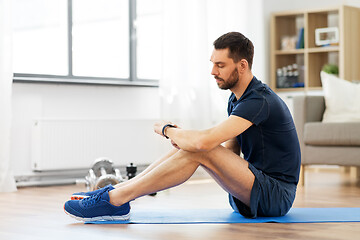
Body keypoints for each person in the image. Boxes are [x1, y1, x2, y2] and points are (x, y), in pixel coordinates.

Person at [64, 32, 301, 221]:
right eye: (212, 64)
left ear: (242, 65)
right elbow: (229, 155)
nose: (213, 71)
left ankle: (115, 200)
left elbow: (205, 143)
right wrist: (185, 142)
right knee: (194, 148)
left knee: (200, 147)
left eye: (220, 65)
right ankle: (116, 193)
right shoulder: (237, 99)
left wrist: (169, 130)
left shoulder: (259, 101)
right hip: (252, 190)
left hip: (274, 196)